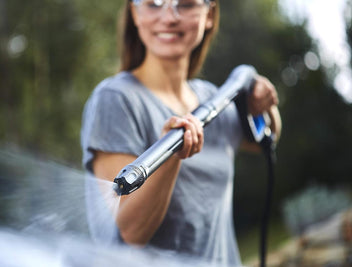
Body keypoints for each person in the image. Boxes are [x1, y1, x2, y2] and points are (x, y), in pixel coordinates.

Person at [81, 0, 282, 265]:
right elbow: (132, 232)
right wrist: (172, 154)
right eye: (153, 4)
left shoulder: (212, 98)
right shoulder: (116, 100)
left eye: (185, 4)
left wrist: (263, 104)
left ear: (209, 14)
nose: (169, 17)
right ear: (135, 13)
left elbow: (265, 141)